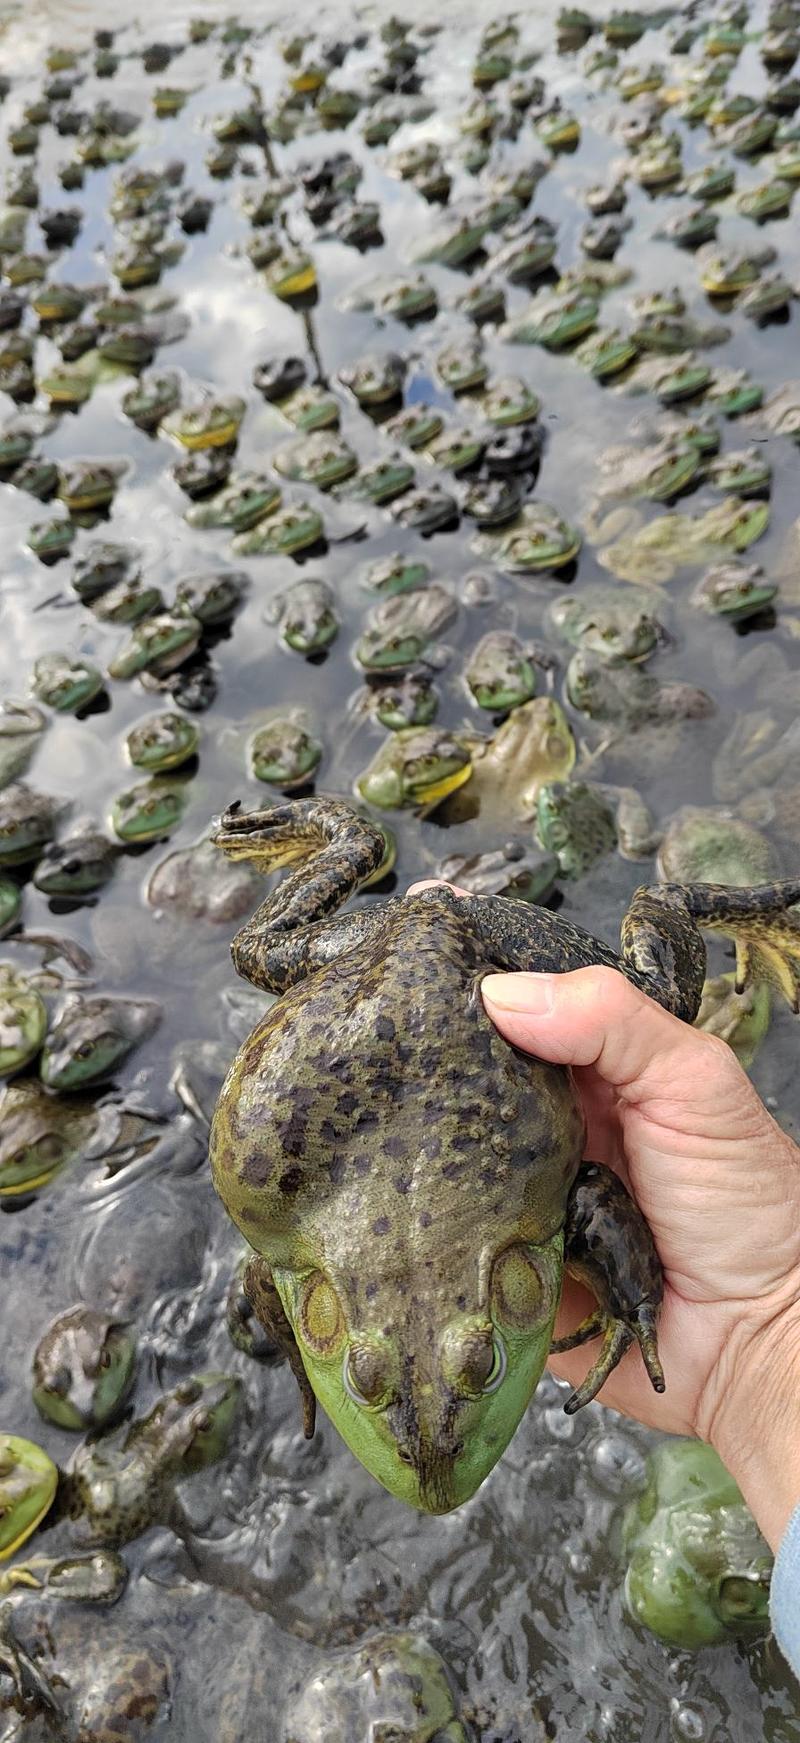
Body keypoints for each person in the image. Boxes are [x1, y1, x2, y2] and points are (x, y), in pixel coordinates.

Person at [410, 880, 800, 1673]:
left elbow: (590, 1189)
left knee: (653, 1004)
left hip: (490, 973)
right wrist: (755, 1352)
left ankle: (726, 904)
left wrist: (712, 1312)